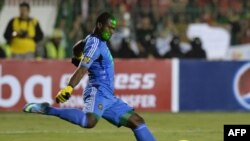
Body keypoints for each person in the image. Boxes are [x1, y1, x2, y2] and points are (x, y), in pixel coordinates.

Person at [23, 12, 156, 141]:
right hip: (97, 91)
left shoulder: (91, 39)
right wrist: (69, 88)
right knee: (89, 121)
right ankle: (47, 109)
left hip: (109, 97)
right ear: (99, 25)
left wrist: (77, 56)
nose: (111, 31)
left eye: (113, 28)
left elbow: (77, 47)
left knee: (136, 121)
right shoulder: (95, 44)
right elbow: (82, 68)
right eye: (109, 27)